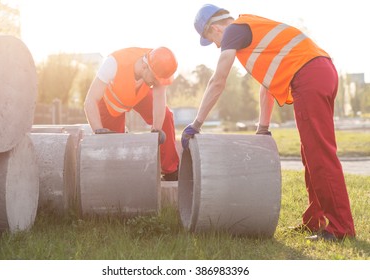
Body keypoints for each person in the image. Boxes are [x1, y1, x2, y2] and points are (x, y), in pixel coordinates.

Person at [181, 4, 356, 241]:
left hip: (310, 75)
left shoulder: (233, 31)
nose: (215, 44)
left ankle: (341, 228)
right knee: (311, 153)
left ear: (214, 28)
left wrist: (197, 123)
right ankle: (315, 220)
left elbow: (218, 81)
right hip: (320, 70)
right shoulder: (253, 29)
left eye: (210, 38)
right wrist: (263, 128)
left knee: (321, 155)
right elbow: (268, 86)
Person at [84, 47, 179, 181]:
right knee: (113, 150)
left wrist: (157, 129)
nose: (157, 83)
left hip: (138, 95)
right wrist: (98, 130)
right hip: (112, 102)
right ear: (145, 66)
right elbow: (90, 100)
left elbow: (159, 99)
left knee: (166, 116)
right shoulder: (113, 63)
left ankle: (170, 171)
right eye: (155, 79)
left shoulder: (158, 65)